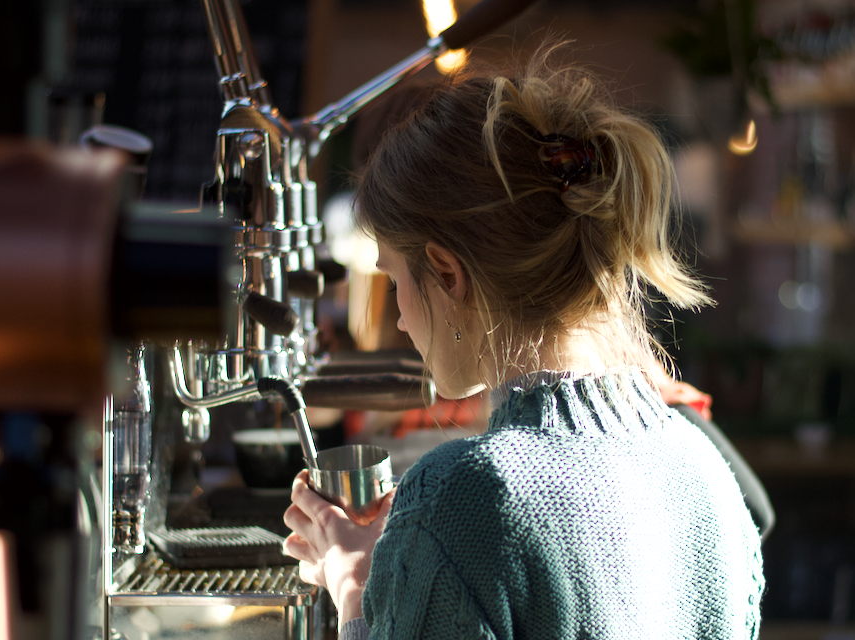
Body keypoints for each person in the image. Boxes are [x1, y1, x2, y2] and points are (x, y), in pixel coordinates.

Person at [283, 44, 765, 640]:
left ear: (447, 272)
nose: (401, 320)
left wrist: (355, 585)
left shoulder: (457, 500)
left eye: (394, 278)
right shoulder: (707, 474)